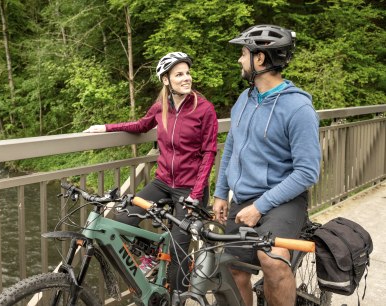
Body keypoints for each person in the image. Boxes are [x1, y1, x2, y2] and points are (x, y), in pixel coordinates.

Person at [83, 52, 218, 293]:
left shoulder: (204, 109)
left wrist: (196, 195)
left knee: (178, 252)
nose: (186, 78)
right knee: (123, 218)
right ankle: (154, 255)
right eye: (179, 74)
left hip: (190, 189)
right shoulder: (161, 107)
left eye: (187, 73)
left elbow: (209, 153)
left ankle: (176, 297)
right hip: (163, 182)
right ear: (166, 80)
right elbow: (140, 126)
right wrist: (105, 127)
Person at [213, 25, 321, 306]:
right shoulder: (243, 100)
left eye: (243, 53)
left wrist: (260, 207)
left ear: (259, 59)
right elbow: (232, 150)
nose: (239, 60)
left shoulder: (298, 108)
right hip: (243, 196)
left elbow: (308, 171)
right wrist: (220, 192)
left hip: (283, 200)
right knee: (230, 266)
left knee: (272, 260)